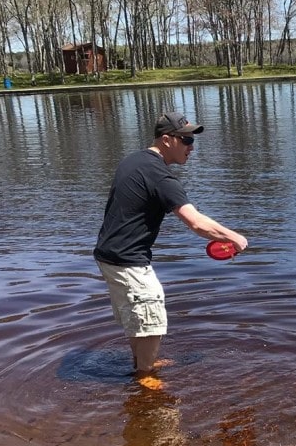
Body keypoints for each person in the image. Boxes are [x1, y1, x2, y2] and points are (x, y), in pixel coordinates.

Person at [94, 111, 248, 388]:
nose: (191, 147)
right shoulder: (160, 176)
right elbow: (196, 222)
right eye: (186, 140)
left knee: (137, 314)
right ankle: (145, 377)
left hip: (109, 254)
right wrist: (234, 237)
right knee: (152, 315)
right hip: (128, 259)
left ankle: (142, 363)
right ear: (167, 140)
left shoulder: (135, 160)